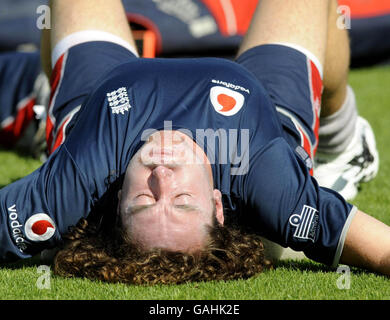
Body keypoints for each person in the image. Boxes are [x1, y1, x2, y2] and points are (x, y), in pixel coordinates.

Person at [0, 0, 388, 284]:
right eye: (183, 201)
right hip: (268, 107)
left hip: (96, 98)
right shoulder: (271, 184)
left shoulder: (70, 186)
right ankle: (345, 141)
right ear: (218, 205)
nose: (162, 177)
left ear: (118, 202)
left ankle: (43, 99)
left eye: (144, 201)